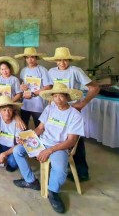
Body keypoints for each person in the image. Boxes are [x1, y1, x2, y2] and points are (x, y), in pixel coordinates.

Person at [12, 83, 84, 213]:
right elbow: (40, 128)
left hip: (60, 147)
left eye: (61, 96)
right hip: (42, 142)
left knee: (60, 169)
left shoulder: (75, 115)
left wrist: (50, 150)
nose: (58, 99)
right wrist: (28, 138)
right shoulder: (49, 108)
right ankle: (31, 181)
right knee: (17, 150)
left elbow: (71, 141)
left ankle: (53, 192)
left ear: (67, 97)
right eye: (55, 96)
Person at [44, 47, 99, 182]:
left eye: (65, 60)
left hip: (72, 109)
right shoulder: (51, 72)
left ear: (69, 60)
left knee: (75, 140)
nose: (62, 63)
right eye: (59, 60)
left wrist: (82, 103)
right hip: (56, 108)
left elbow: (95, 87)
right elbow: (51, 90)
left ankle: (82, 172)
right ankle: (59, 164)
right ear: (55, 61)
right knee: (57, 135)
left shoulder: (75, 71)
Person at [15, 48, 52, 128]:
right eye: (27, 57)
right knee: (23, 127)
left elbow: (48, 87)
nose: (30, 60)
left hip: (38, 105)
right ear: (25, 59)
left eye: (32, 57)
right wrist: (21, 87)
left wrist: (32, 94)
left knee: (39, 128)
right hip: (25, 104)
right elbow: (21, 85)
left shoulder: (43, 70)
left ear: (36, 58)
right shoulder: (23, 70)